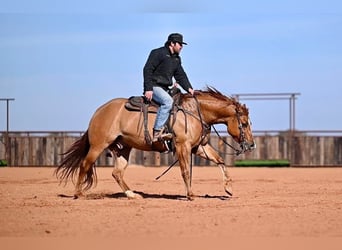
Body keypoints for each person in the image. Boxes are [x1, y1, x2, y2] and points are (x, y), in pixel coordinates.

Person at [143, 33, 195, 142]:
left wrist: (189, 89)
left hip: (165, 88)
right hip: (154, 86)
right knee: (167, 102)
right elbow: (147, 69)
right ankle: (157, 132)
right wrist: (148, 88)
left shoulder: (176, 59)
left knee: (179, 101)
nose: (181, 47)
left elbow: (180, 75)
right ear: (172, 43)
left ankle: (171, 130)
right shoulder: (158, 53)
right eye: (180, 44)